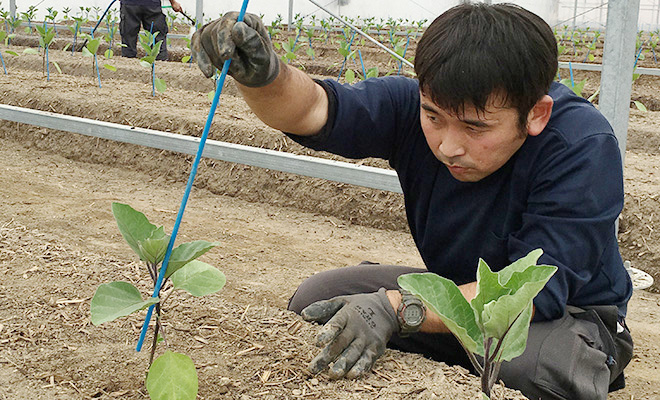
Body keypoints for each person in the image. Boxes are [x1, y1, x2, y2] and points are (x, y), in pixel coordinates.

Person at [190, 4, 634, 400]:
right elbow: (315, 110)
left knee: (527, 367)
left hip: (567, 316)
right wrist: (265, 76)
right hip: (459, 290)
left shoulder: (581, 146)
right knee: (320, 298)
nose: (448, 146)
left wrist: (400, 309)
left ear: (536, 114)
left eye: (475, 128)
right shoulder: (412, 108)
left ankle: (584, 364)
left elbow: (532, 294)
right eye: (433, 116)